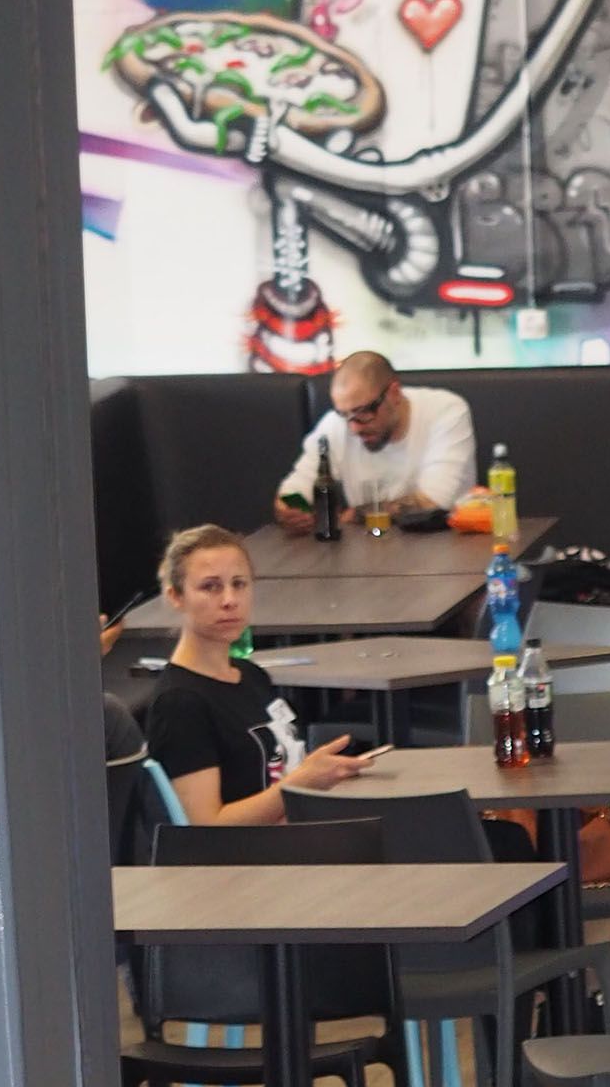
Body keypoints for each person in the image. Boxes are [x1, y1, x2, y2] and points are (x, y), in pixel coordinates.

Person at [142, 525, 375, 824]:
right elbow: (206, 828)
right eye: (210, 587)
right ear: (176, 596)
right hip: (250, 851)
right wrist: (300, 783)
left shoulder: (251, 675)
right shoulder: (180, 703)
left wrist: (315, 775)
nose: (229, 600)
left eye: (239, 584)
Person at [273, 353, 477, 533]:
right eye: (344, 414)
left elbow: (436, 502)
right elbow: (296, 489)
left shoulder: (445, 412)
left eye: (363, 412)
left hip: (442, 545)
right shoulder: (337, 424)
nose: (354, 428)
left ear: (394, 393)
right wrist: (290, 511)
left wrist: (355, 515)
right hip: (369, 545)